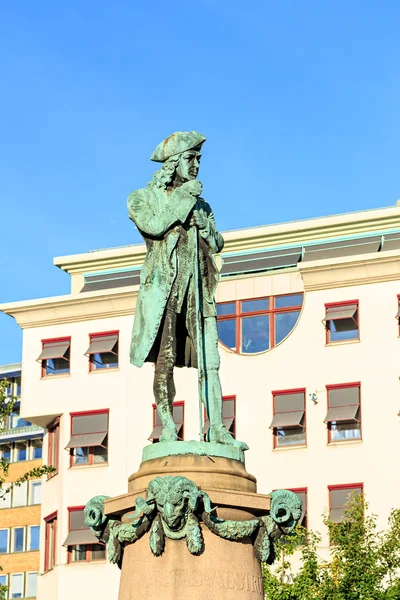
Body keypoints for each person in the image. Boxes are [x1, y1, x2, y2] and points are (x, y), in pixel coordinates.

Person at [128, 131, 248, 451]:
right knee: (164, 361)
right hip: (165, 292)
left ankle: (218, 427)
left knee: (211, 363)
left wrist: (206, 226)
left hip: (198, 290)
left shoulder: (201, 203)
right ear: (173, 163)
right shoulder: (143, 197)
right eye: (190, 159)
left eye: (199, 159)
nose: (196, 165)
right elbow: (154, 225)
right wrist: (184, 200)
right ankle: (168, 426)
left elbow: (217, 242)